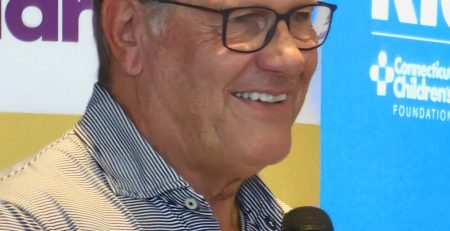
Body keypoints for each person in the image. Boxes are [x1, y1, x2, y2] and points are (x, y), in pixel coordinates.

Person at [0, 0, 336, 230]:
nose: (292, 58)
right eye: (244, 20)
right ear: (127, 31)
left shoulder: (284, 220)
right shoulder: (25, 220)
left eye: (300, 18)